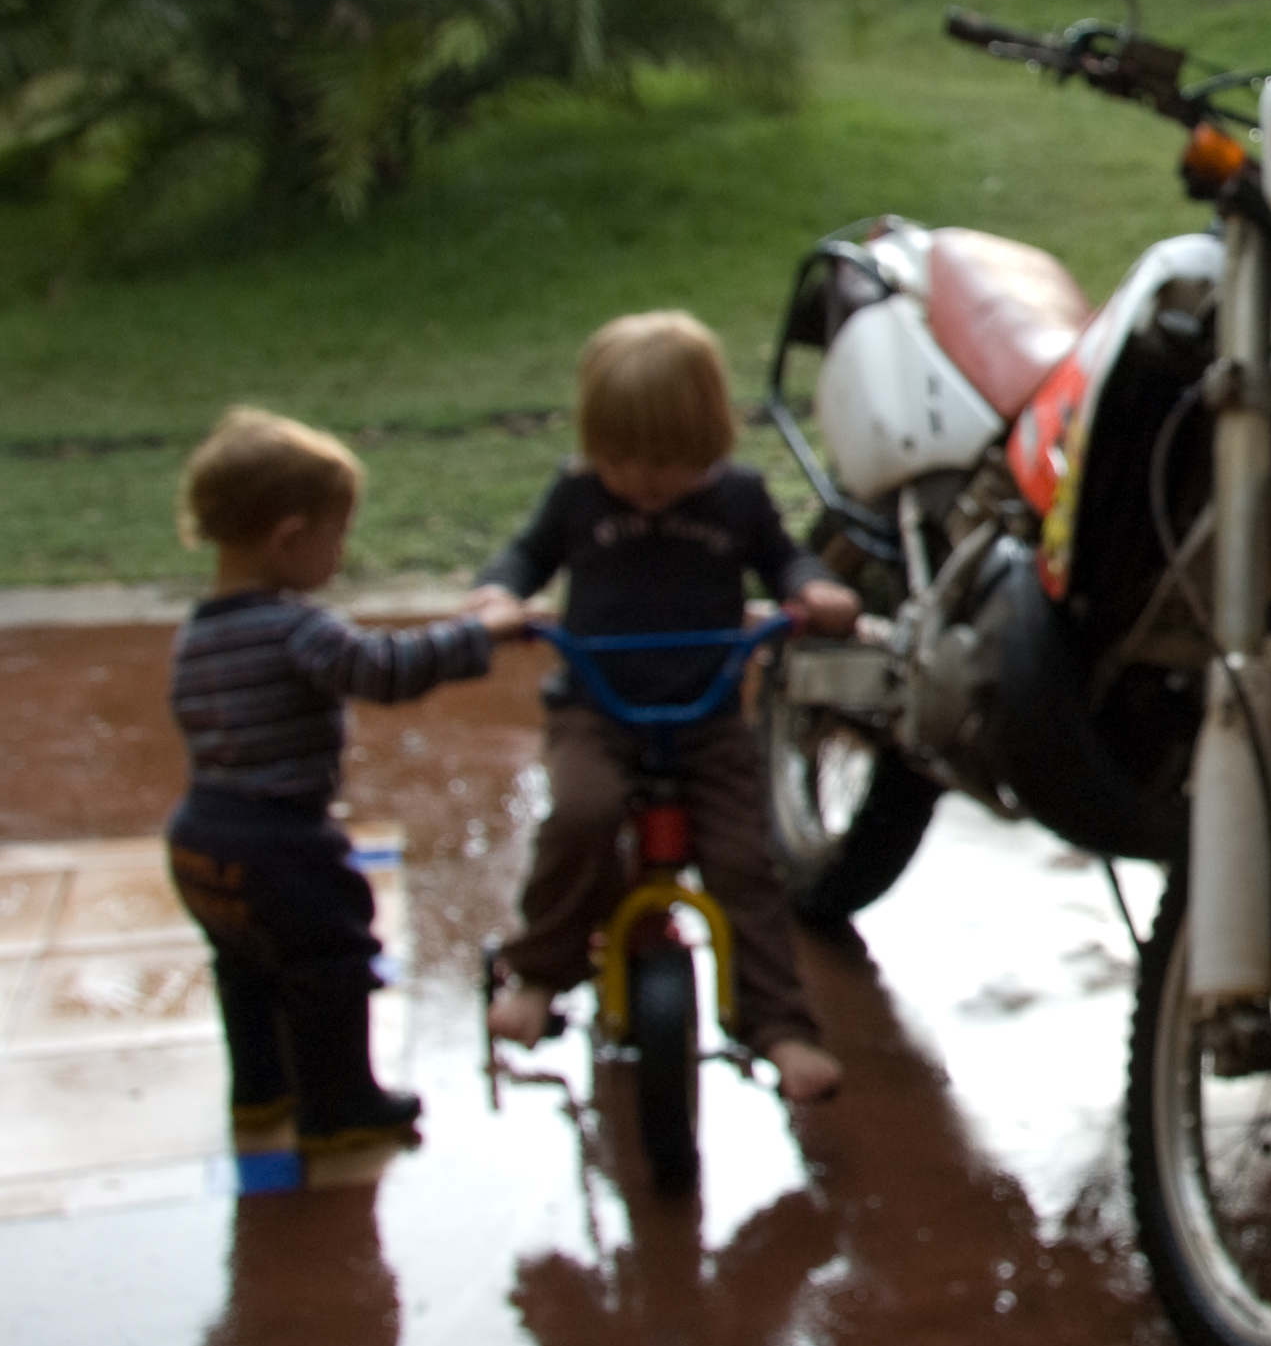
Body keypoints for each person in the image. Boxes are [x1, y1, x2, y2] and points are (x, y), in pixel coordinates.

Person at [473, 310, 858, 1104]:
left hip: (707, 711)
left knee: (745, 863)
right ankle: (542, 972)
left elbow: (784, 561)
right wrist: (500, 596)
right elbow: (525, 554)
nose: (645, 480)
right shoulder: (578, 494)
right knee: (581, 815)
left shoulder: (739, 499)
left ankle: (780, 1026)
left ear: (710, 441)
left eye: (669, 462)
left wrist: (812, 591)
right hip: (597, 706)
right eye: (623, 459)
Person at [167, 408, 525, 1155]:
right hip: (282, 839)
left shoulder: (197, 631)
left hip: (201, 832)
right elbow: (383, 671)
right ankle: (339, 1103)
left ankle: (260, 1092)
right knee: (331, 959)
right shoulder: (296, 628)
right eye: (336, 535)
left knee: (245, 963)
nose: (342, 552)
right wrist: (479, 635)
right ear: (288, 538)